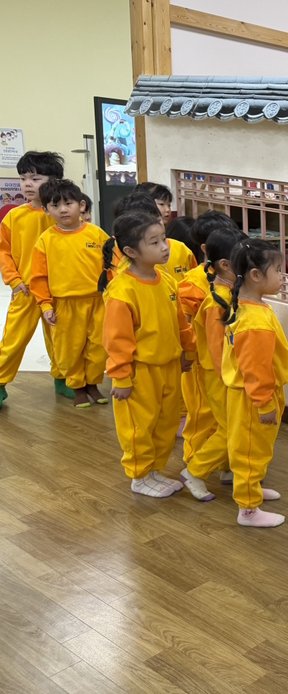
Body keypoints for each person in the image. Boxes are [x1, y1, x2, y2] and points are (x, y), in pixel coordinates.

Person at [99, 211, 196, 499]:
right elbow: (117, 341)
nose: (165, 247)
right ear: (131, 251)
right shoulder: (122, 291)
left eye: (164, 239)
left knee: (165, 423)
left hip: (169, 366)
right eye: (154, 242)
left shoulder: (166, 281)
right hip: (139, 373)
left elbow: (180, 323)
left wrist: (188, 350)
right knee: (139, 427)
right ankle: (140, 476)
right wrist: (121, 378)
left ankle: (154, 470)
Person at [221, 238, 288, 527]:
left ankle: (253, 490)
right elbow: (255, 369)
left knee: (258, 448)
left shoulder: (252, 307)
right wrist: (264, 403)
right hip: (253, 397)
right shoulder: (254, 321)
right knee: (250, 451)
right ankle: (248, 509)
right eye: (277, 270)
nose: (283, 276)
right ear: (255, 275)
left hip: (254, 394)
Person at [178, 227, 247, 501]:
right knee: (230, 429)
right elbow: (218, 351)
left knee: (233, 427)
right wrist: (231, 378)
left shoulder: (230, 293)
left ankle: (230, 471)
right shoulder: (216, 302)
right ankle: (194, 472)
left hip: (228, 375)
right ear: (226, 265)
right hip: (220, 376)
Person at [29, 179, 110, 408]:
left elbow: (112, 266)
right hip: (64, 305)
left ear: (81, 206)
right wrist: (45, 305)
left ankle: (93, 384)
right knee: (69, 350)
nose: (63, 209)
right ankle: (77, 386)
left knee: (98, 347)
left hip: (97, 302)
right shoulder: (46, 240)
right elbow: (39, 277)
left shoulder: (97, 234)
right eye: (55, 206)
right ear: (46, 210)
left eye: (68, 203)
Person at [0, 151, 69, 407]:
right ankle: (0, 382)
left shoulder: (63, 216)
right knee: (13, 339)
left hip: (58, 290)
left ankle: (63, 378)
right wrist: (14, 280)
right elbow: (3, 252)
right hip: (26, 290)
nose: (27, 184)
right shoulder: (14, 216)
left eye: (35, 178)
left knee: (61, 338)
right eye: (23, 178)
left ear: (54, 181)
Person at [112, 192, 196, 284]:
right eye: (154, 243)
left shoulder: (181, 249)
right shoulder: (123, 268)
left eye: (158, 220)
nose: (165, 248)